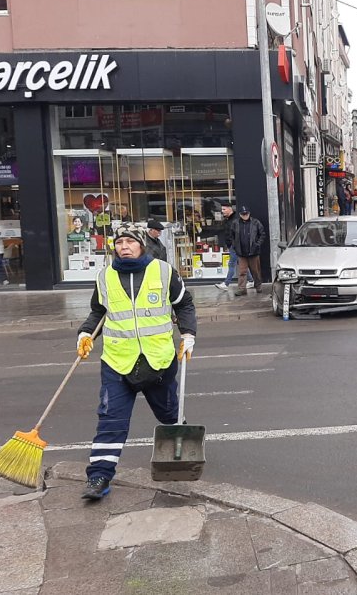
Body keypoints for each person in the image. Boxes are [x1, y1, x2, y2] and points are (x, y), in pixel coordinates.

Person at [75, 223, 196, 500]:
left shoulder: (164, 272)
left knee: (169, 415)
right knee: (110, 421)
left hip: (159, 361)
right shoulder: (104, 277)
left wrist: (189, 334)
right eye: (119, 243)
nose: (124, 246)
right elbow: (98, 313)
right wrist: (84, 332)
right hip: (118, 362)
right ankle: (99, 477)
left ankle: (181, 446)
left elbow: (184, 304)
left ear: (141, 244)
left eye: (130, 241)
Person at [230, 205, 266, 296]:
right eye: (243, 214)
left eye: (246, 213)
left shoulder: (256, 222)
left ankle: (258, 286)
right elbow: (231, 236)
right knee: (242, 272)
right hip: (241, 252)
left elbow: (262, 234)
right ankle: (242, 289)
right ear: (240, 214)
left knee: (256, 271)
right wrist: (234, 246)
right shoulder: (235, 223)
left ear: (249, 213)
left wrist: (257, 245)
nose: (245, 215)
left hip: (253, 252)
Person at [214, 204, 237, 291]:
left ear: (229, 209)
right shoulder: (229, 219)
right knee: (241, 263)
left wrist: (231, 244)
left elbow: (234, 233)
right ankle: (251, 280)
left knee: (231, 264)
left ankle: (226, 283)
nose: (222, 211)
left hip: (234, 246)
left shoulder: (234, 220)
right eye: (222, 209)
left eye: (224, 209)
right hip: (232, 245)